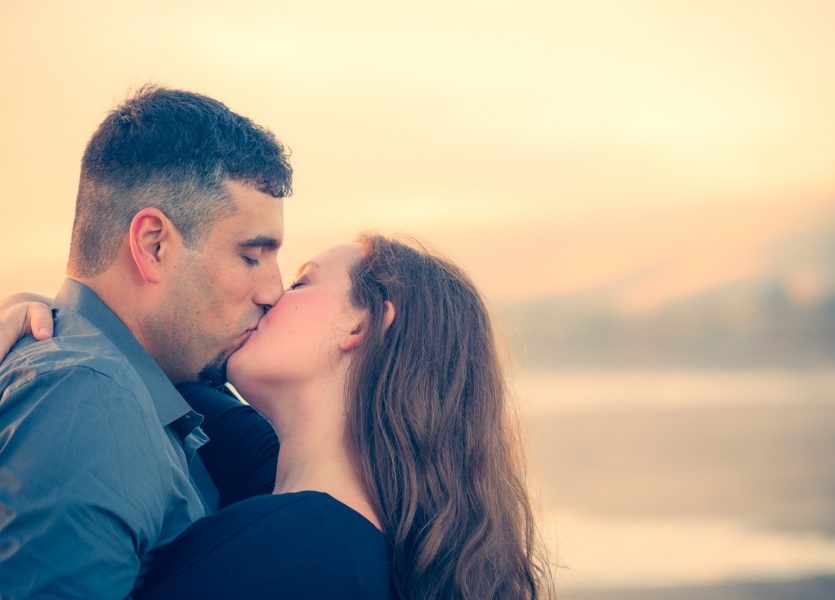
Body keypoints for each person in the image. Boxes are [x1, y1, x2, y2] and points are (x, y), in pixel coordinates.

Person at [131, 235, 552, 599]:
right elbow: (202, 398)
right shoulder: (377, 547)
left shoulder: (291, 547)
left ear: (361, 325)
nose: (270, 294)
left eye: (301, 282)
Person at [0, 85, 291, 598]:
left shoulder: (116, 386)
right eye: (252, 256)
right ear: (153, 245)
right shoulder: (90, 398)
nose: (274, 291)